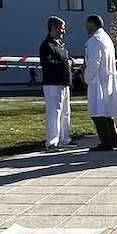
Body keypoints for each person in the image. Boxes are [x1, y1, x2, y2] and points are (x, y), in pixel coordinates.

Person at [83, 14, 117, 151]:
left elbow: (93, 63)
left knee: (98, 113)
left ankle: (106, 142)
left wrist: (86, 77)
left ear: (92, 24)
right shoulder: (106, 38)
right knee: (106, 112)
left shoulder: (95, 40)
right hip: (106, 79)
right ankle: (113, 140)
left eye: (87, 24)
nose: (86, 27)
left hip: (98, 80)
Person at [39, 16, 74, 150]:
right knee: (54, 113)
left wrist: (70, 61)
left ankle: (65, 138)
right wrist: (65, 63)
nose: (63, 32)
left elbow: (66, 59)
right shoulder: (47, 45)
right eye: (61, 28)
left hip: (64, 83)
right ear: (53, 27)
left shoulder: (60, 45)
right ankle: (52, 141)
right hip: (53, 83)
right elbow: (48, 63)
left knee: (65, 112)